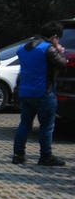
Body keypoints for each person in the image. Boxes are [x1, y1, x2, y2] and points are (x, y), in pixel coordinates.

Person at [12, 21, 68, 166]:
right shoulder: (48, 48)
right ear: (55, 36)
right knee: (47, 126)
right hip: (44, 92)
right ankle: (45, 156)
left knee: (24, 124)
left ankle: (18, 155)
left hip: (25, 91)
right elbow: (63, 64)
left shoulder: (23, 48)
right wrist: (60, 50)